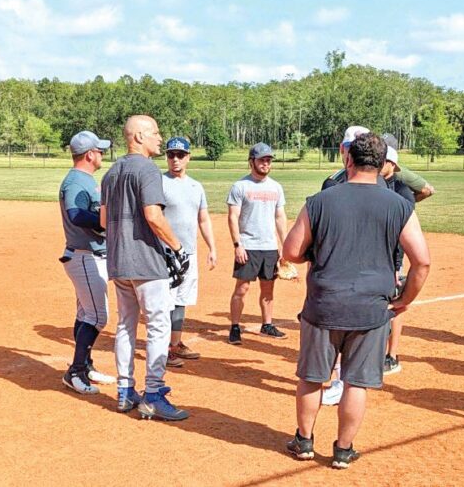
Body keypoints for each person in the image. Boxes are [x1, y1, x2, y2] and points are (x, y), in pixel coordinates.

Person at [283, 132, 430, 469]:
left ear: (348, 159)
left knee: (311, 377)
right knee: (356, 382)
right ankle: (343, 449)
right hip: (372, 307)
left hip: (324, 302)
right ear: (383, 165)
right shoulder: (399, 205)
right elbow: (422, 261)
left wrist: (315, 255)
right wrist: (404, 300)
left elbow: (291, 251)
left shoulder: (321, 200)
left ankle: (304, 440)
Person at [100, 115, 189, 421]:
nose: (160, 138)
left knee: (125, 325)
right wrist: (177, 248)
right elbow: (153, 215)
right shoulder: (148, 169)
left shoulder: (111, 172)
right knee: (158, 325)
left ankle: (125, 392)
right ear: (137, 136)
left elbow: (102, 221)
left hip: (118, 260)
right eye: (154, 133)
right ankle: (152, 393)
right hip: (145, 263)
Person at [59, 131, 116, 394]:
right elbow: (75, 214)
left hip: (88, 255)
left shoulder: (84, 179)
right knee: (97, 316)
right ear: (89, 154)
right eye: (100, 150)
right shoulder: (75, 182)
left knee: (85, 314)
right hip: (85, 256)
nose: (102, 154)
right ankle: (76, 371)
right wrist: (106, 222)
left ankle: (87, 366)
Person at [161, 136, 217, 367]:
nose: (175, 159)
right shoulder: (159, 182)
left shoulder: (196, 186)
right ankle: (163, 349)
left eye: (180, 155)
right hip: (165, 253)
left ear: (188, 158)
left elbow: (203, 220)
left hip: (188, 254)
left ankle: (175, 344)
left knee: (182, 299)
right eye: (171, 154)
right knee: (165, 301)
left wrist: (212, 247)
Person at [226, 142, 288, 345]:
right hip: (248, 246)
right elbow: (233, 217)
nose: (266, 163)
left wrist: (284, 245)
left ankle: (267, 325)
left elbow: (280, 217)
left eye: (269, 160)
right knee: (242, 289)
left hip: (269, 246)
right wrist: (238, 245)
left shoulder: (276, 187)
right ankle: (235, 327)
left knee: (268, 289)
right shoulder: (240, 186)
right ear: (251, 161)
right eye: (262, 159)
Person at [322, 129, 435, 202]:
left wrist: (401, 203)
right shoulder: (335, 180)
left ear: (393, 164)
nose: (379, 162)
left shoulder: (400, 178)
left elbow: (427, 190)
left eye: (384, 158)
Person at [380, 145, 416, 375]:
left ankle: (392, 355)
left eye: (382, 161)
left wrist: (395, 265)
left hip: (393, 256)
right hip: (374, 254)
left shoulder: (402, 191)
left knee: (397, 305)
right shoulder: (375, 185)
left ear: (391, 165)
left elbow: (404, 234)